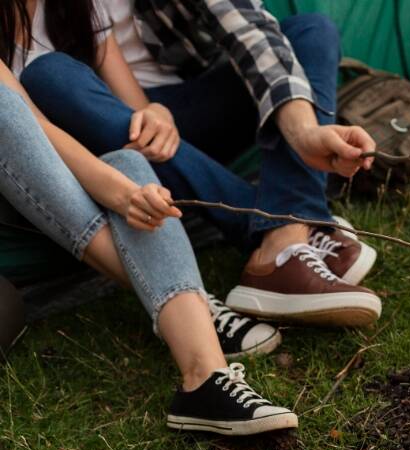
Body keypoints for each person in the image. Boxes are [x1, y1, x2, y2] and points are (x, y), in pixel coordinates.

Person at [0, 23, 297, 435]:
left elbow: (43, 130)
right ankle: (189, 306)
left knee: (130, 164)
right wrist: (121, 195)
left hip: (37, 166)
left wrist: (128, 179)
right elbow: (27, 125)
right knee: (4, 104)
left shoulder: (73, 10)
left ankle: (205, 379)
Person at [18, 0, 383, 327]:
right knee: (48, 75)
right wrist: (144, 112)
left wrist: (303, 131)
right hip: (105, 130)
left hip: (184, 108)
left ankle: (286, 234)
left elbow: (247, 27)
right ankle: (287, 230)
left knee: (312, 30)